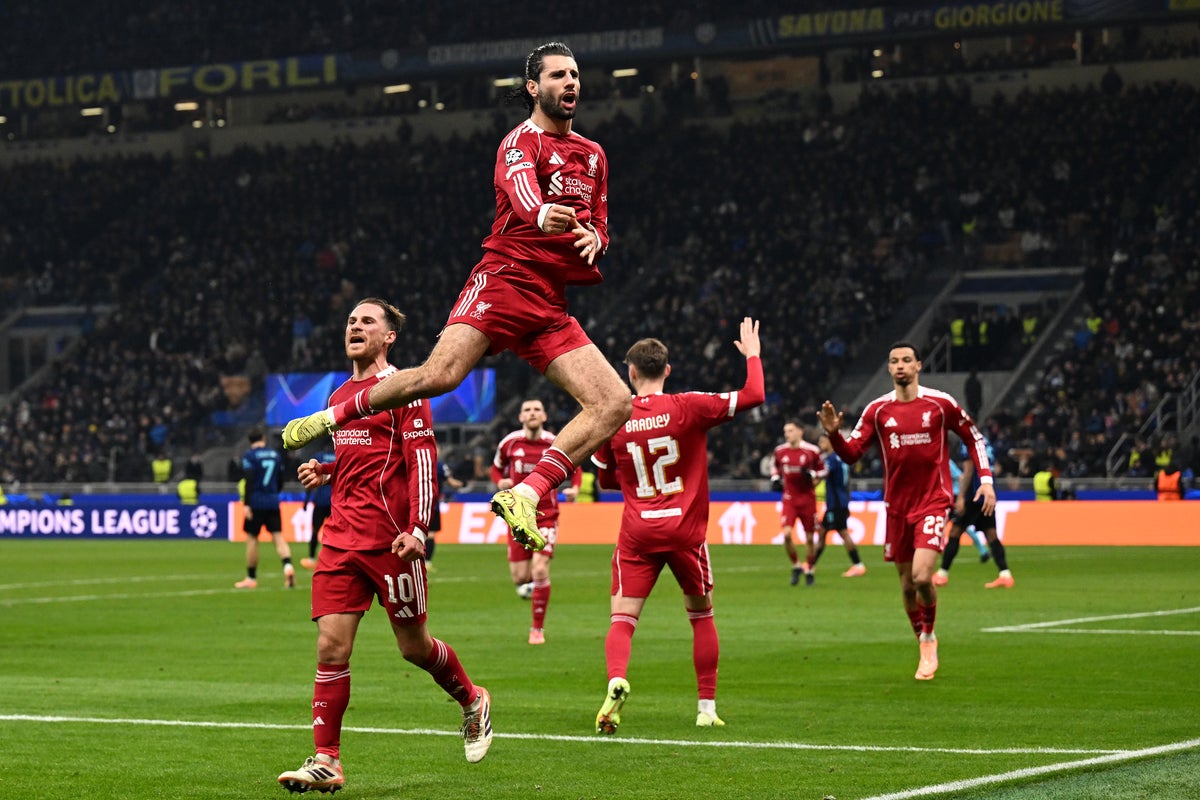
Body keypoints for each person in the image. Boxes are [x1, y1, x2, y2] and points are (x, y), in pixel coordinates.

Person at [280, 41, 631, 555]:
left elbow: (600, 222)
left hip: (549, 302)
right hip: (505, 281)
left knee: (614, 402)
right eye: (558, 75)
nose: (570, 82)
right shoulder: (520, 141)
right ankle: (330, 417)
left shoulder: (594, 154)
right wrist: (542, 215)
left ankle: (525, 495)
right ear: (534, 88)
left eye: (574, 74)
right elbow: (522, 193)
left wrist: (596, 239)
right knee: (439, 376)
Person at [277, 298, 492, 794]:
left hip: (391, 542)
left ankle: (472, 699)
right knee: (331, 646)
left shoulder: (406, 388)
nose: (355, 326)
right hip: (340, 539)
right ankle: (327, 760)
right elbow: (365, 457)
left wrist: (418, 529)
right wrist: (327, 470)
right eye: (351, 321)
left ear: (388, 336)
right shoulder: (339, 395)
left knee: (414, 648)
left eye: (367, 321)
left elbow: (421, 460)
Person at [591, 317, 763, 734]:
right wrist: (753, 355)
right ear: (667, 370)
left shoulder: (615, 417)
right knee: (702, 616)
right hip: (686, 532)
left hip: (638, 533)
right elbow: (754, 394)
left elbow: (606, 480)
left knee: (622, 620)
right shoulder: (690, 405)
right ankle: (705, 708)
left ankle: (617, 679)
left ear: (631, 373)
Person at [817, 341, 995, 681]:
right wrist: (834, 435)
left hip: (933, 501)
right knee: (906, 586)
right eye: (894, 360)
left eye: (906, 360)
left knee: (922, 576)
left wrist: (985, 481)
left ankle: (928, 638)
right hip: (897, 507)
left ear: (918, 366)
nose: (900, 365)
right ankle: (921, 640)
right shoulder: (877, 410)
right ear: (889, 368)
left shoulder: (940, 404)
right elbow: (852, 454)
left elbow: (973, 437)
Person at [491, 398, 580, 645]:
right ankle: (537, 588)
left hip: (547, 516)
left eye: (537, 410)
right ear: (520, 417)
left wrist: (575, 488)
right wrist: (500, 481)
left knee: (539, 569)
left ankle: (537, 629)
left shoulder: (554, 443)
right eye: (527, 410)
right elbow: (496, 468)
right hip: (517, 517)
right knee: (520, 577)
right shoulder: (509, 443)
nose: (532, 413)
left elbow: (576, 467)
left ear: (544, 416)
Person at [933, 436, 1015, 589]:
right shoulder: (986, 442)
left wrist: (961, 496)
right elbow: (994, 467)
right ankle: (1005, 575)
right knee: (991, 534)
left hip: (974, 495)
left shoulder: (968, 442)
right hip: (988, 494)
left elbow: (968, 471)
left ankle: (942, 574)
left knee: (955, 532)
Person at [237, 427, 295, 590]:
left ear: (250, 441)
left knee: (252, 539)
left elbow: (249, 479)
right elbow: (280, 479)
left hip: (256, 501)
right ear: (263, 438)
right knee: (278, 537)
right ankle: (288, 567)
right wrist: (274, 494)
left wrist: (247, 504)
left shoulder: (249, 456)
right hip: (272, 501)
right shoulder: (275, 455)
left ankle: (251, 577)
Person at [770, 421, 827, 586]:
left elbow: (823, 470)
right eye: (785, 431)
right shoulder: (780, 451)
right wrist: (775, 478)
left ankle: (810, 569)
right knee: (787, 534)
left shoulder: (811, 451)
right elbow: (775, 467)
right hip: (789, 498)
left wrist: (812, 474)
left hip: (807, 499)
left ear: (800, 432)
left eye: (790, 430)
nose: (787, 434)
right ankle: (796, 565)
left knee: (809, 538)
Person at [814, 433, 866, 578]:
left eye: (822, 441)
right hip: (841, 500)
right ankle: (811, 564)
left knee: (842, 532)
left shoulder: (831, 459)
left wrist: (810, 480)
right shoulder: (841, 457)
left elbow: (823, 475)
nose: (820, 444)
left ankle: (858, 565)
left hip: (835, 503)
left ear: (830, 442)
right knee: (823, 532)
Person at [300, 449, 335, 570]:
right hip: (334, 502)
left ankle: (311, 558)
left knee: (315, 530)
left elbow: (311, 478)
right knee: (336, 532)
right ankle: (334, 559)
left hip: (320, 501)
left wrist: (306, 500)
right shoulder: (339, 455)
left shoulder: (319, 456)